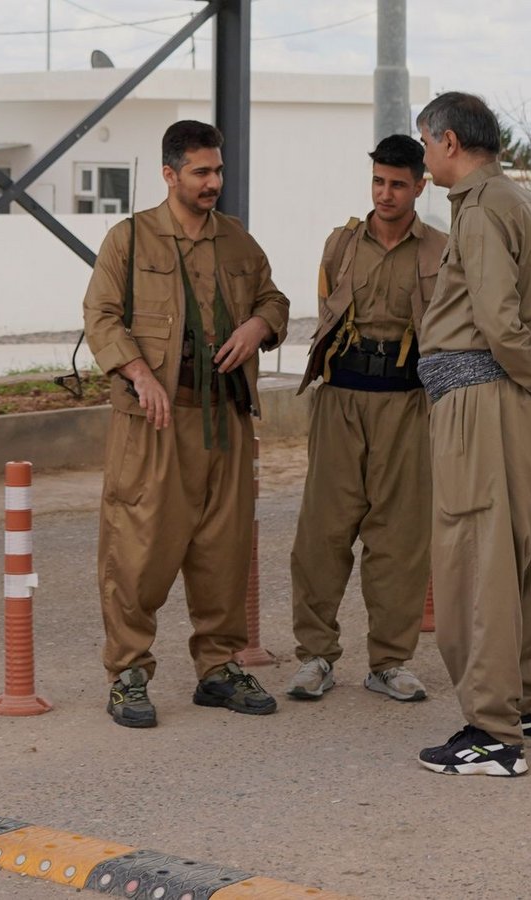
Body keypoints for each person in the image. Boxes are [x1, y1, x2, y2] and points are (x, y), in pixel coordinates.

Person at [411, 92, 531, 778]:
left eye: (425, 143)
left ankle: (491, 733)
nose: (424, 155)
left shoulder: (484, 208)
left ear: (450, 142)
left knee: (475, 562)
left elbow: (493, 316)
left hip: (484, 402)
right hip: (515, 398)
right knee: (518, 559)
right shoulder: (527, 205)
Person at [84, 120, 290, 728]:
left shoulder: (237, 242)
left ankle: (219, 668)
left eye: (217, 171)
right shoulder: (130, 239)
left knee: (222, 549)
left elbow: (273, 301)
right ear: (170, 174)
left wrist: (258, 327)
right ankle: (127, 673)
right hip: (154, 422)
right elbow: (100, 316)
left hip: (223, 418)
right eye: (200, 172)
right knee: (138, 545)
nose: (213, 183)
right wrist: (141, 375)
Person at [285, 134, 447, 704]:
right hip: (340, 398)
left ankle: (389, 661)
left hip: (406, 404)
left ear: (420, 187)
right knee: (322, 533)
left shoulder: (440, 251)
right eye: (379, 181)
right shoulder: (342, 243)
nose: (386, 193)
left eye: (398, 184)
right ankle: (315, 656)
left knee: (398, 539)